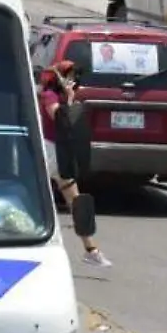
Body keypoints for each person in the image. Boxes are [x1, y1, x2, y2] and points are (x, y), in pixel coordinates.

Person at [38, 62, 110, 267]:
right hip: (48, 150)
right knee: (43, 198)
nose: (72, 81)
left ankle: (91, 250)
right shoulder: (49, 96)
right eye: (68, 76)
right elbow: (58, 116)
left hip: (61, 151)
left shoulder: (66, 96)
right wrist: (69, 99)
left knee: (76, 201)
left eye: (74, 77)